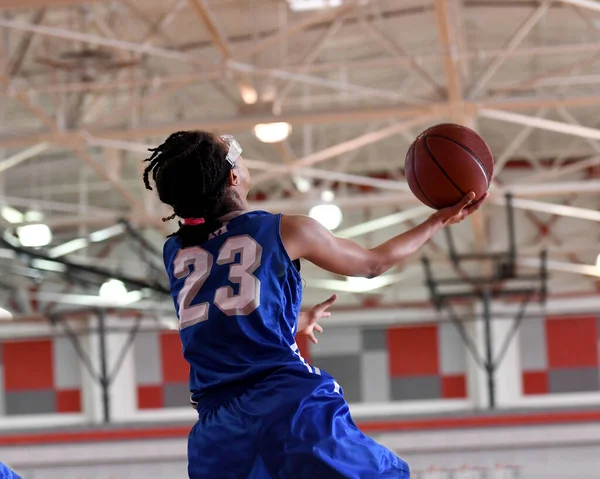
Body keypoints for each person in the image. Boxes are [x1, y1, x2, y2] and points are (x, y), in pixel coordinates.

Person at [144, 130, 487, 479]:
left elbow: (222, 323)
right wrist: (436, 220)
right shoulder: (286, 229)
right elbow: (373, 264)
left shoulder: (176, 253)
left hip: (218, 433)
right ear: (233, 176)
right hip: (286, 405)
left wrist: (292, 320)